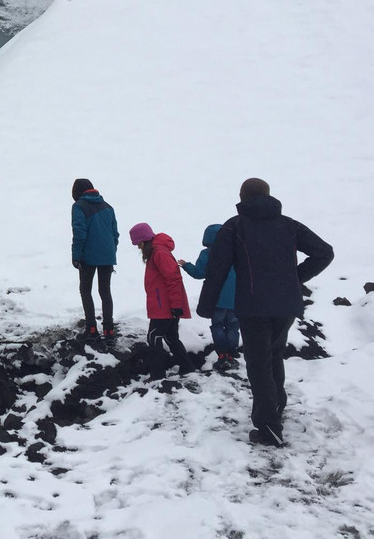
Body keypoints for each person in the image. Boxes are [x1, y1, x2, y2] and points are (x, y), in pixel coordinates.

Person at [199, 178, 334, 447]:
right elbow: (324, 253)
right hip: (286, 305)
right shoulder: (289, 225)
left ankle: (269, 427)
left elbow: (217, 269)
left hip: (253, 306)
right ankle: (276, 407)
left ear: (242, 197)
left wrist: (206, 306)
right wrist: (294, 279)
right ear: (268, 195)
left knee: (259, 363)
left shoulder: (234, 226)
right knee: (273, 355)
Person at [129, 222, 195, 380]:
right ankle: (187, 368)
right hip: (166, 305)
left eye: (139, 243)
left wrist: (176, 305)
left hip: (165, 306)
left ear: (145, 240)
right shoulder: (157, 251)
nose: (138, 247)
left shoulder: (159, 253)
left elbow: (174, 279)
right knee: (170, 337)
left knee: (154, 337)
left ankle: (157, 375)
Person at [178, 224, 240, 371]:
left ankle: (222, 355)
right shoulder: (237, 251)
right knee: (233, 326)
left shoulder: (207, 253)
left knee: (217, 325)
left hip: (217, 298)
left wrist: (186, 265)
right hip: (236, 298)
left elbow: (199, 273)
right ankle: (231, 355)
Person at [70, 178, 119, 343]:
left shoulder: (78, 206)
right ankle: (109, 330)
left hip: (88, 255)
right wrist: (111, 251)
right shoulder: (108, 206)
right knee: (105, 291)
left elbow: (79, 233)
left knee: (85, 290)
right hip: (108, 255)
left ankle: (91, 329)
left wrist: (76, 256)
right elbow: (115, 233)